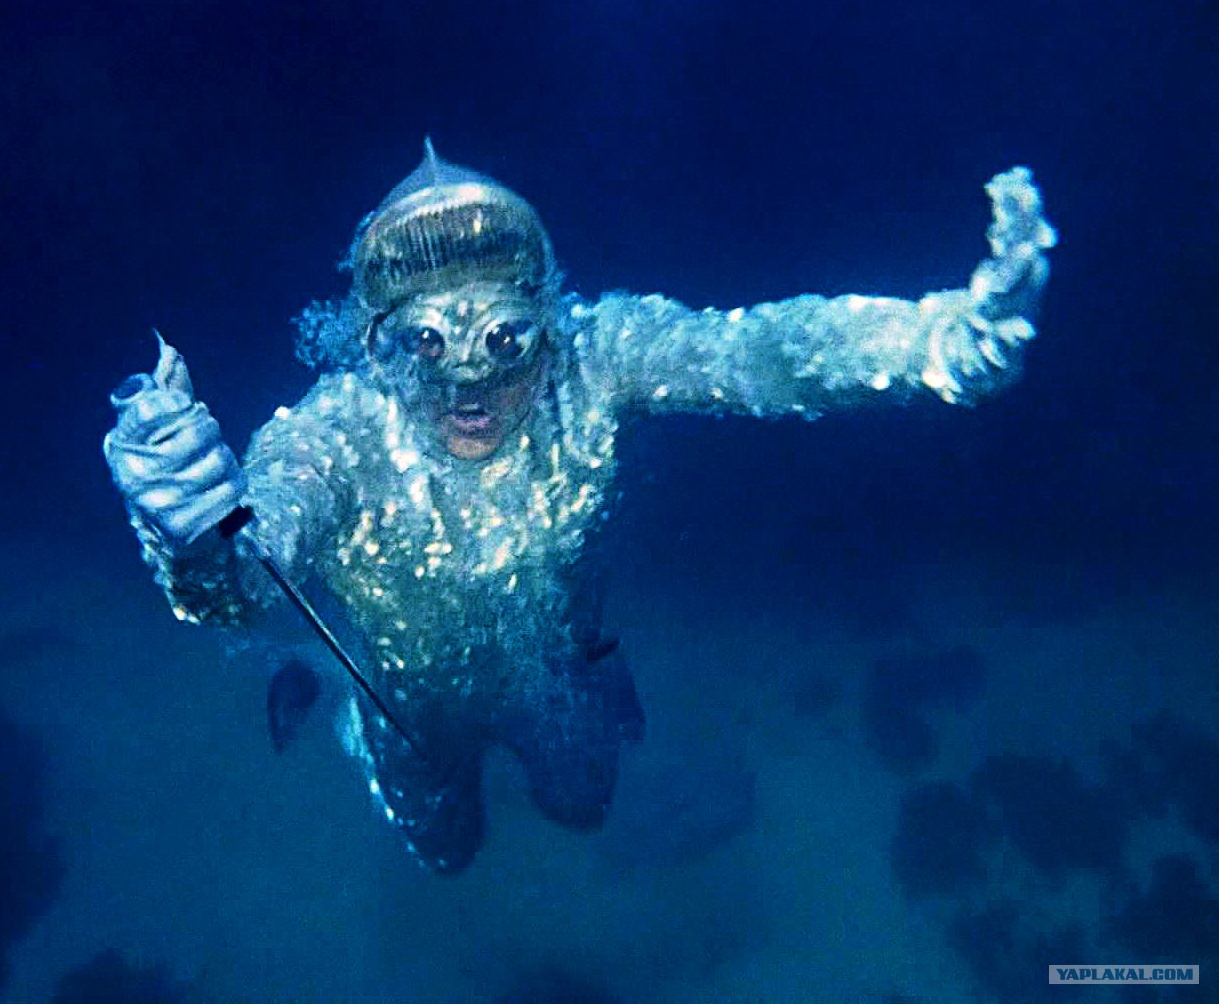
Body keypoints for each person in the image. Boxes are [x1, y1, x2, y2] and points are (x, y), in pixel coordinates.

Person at [103, 140, 1056, 874]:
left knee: (585, 806)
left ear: (545, 321)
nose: (468, 380)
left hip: (556, 672)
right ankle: (351, 713)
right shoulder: (334, 435)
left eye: (503, 338)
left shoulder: (593, 361)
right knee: (446, 853)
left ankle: (571, 690)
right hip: (411, 710)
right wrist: (190, 534)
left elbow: (754, 353)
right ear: (378, 346)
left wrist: (938, 340)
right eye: (426, 344)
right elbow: (240, 576)